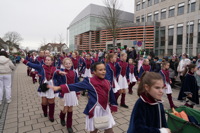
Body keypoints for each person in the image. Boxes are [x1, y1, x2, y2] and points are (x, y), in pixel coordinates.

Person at [51, 62, 118, 133]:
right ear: (94, 72)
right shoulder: (90, 81)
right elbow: (75, 86)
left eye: (104, 69)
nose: (103, 71)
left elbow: (111, 95)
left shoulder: (107, 82)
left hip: (105, 109)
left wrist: (113, 105)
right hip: (94, 109)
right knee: (94, 130)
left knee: (109, 130)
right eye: (100, 70)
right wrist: (60, 87)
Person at [21, 55, 58, 122]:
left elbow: (59, 76)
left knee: (51, 101)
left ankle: (51, 115)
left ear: (52, 61)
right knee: (44, 102)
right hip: (44, 86)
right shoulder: (41, 67)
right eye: (46, 59)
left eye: (48, 60)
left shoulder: (55, 69)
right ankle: (45, 112)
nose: (46, 61)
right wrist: (24, 61)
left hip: (51, 86)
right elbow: (32, 65)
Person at [54, 58, 79, 133]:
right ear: (63, 64)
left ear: (71, 64)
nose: (68, 65)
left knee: (70, 109)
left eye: (69, 63)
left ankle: (69, 126)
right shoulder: (61, 72)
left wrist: (77, 93)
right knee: (65, 109)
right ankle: (62, 117)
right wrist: (59, 72)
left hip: (72, 92)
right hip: (64, 92)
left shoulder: (74, 72)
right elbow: (55, 74)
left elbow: (77, 83)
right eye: (66, 64)